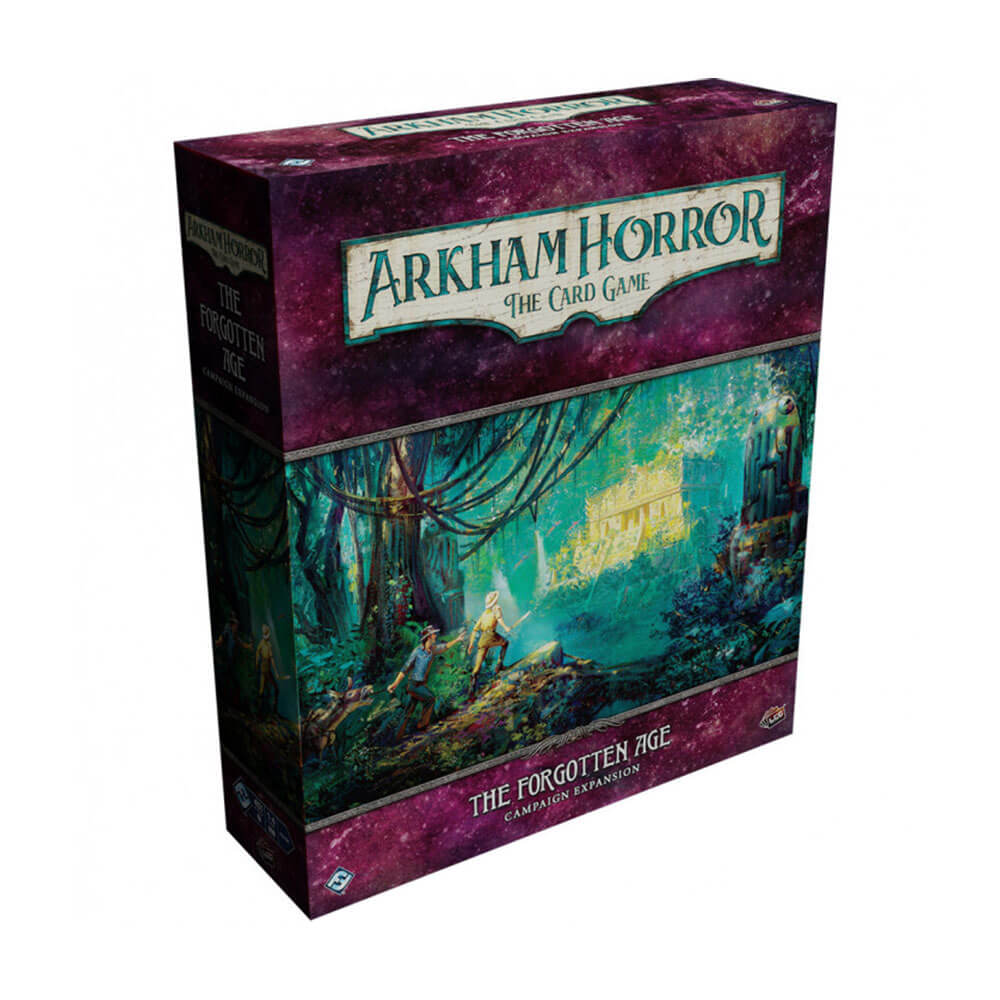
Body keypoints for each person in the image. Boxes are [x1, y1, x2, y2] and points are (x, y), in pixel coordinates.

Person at [388, 625, 465, 741]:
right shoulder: (417, 652)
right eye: (433, 634)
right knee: (431, 699)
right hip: (414, 685)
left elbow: (444, 647)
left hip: (421, 685)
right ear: (428, 637)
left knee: (408, 711)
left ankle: (397, 737)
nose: (435, 636)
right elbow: (405, 668)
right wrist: (395, 684)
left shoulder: (432, 650)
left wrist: (457, 639)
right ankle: (422, 726)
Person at [467, 590, 510, 698]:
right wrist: (506, 627)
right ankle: (499, 666)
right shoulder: (497, 608)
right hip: (491, 635)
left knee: (477, 666)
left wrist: (471, 644)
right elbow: (499, 619)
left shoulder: (484, 614)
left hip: (482, 640)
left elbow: (475, 629)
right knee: (505, 643)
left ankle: (471, 691)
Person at [256, 624, 288, 716]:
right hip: (264, 668)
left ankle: (268, 712)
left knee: (267, 690)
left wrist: (276, 673)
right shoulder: (263, 644)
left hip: (266, 668)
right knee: (268, 690)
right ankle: (264, 712)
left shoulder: (267, 644)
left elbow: (270, 658)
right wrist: (257, 664)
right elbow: (260, 654)